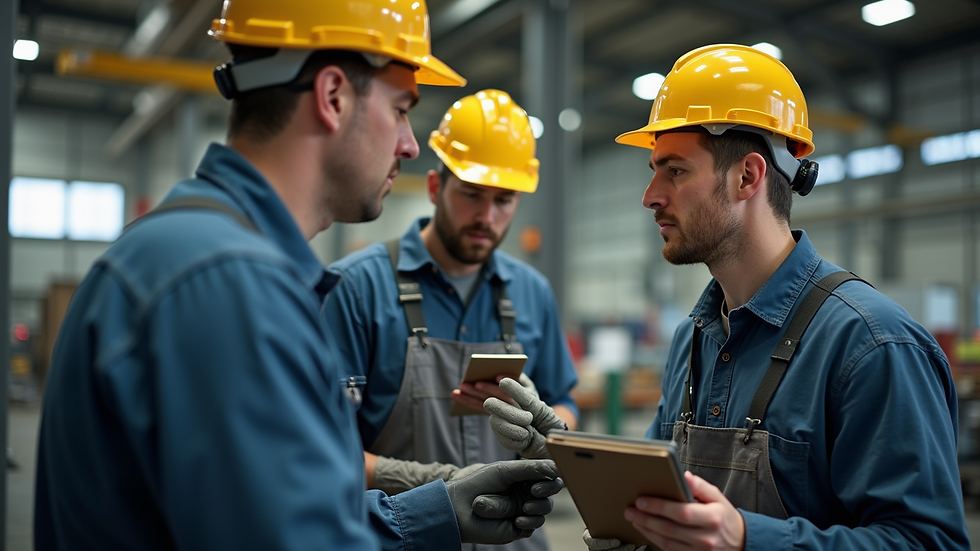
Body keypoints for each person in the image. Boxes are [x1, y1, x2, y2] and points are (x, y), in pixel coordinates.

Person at [33, 2, 564, 550]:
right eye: (401, 108)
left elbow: (271, 511)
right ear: (333, 96)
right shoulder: (231, 286)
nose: (407, 143)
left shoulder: (191, 253)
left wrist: (436, 509)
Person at [486, 44, 971, 550]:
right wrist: (568, 449)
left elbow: (928, 541)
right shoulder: (691, 338)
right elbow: (661, 495)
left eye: (674, 170)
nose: (650, 195)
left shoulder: (872, 346)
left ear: (747, 176)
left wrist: (745, 538)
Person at [321, 89, 580, 550]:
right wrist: (437, 483)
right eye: (471, 194)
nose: (486, 216)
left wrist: (548, 435)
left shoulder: (532, 293)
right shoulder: (355, 289)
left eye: (504, 200)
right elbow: (320, 453)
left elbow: (565, 401)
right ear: (437, 187)